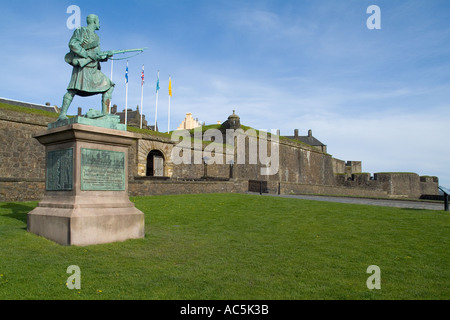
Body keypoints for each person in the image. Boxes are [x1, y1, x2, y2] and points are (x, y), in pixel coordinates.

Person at [58, 14, 114, 121]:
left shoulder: (97, 38)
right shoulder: (81, 31)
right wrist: (86, 55)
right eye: (98, 21)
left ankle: (104, 115)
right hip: (83, 66)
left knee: (109, 85)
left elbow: (97, 55)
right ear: (94, 22)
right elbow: (73, 44)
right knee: (73, 90)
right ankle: (62, 114)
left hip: (93, 68)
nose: (99, 24)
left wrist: (105, 56)